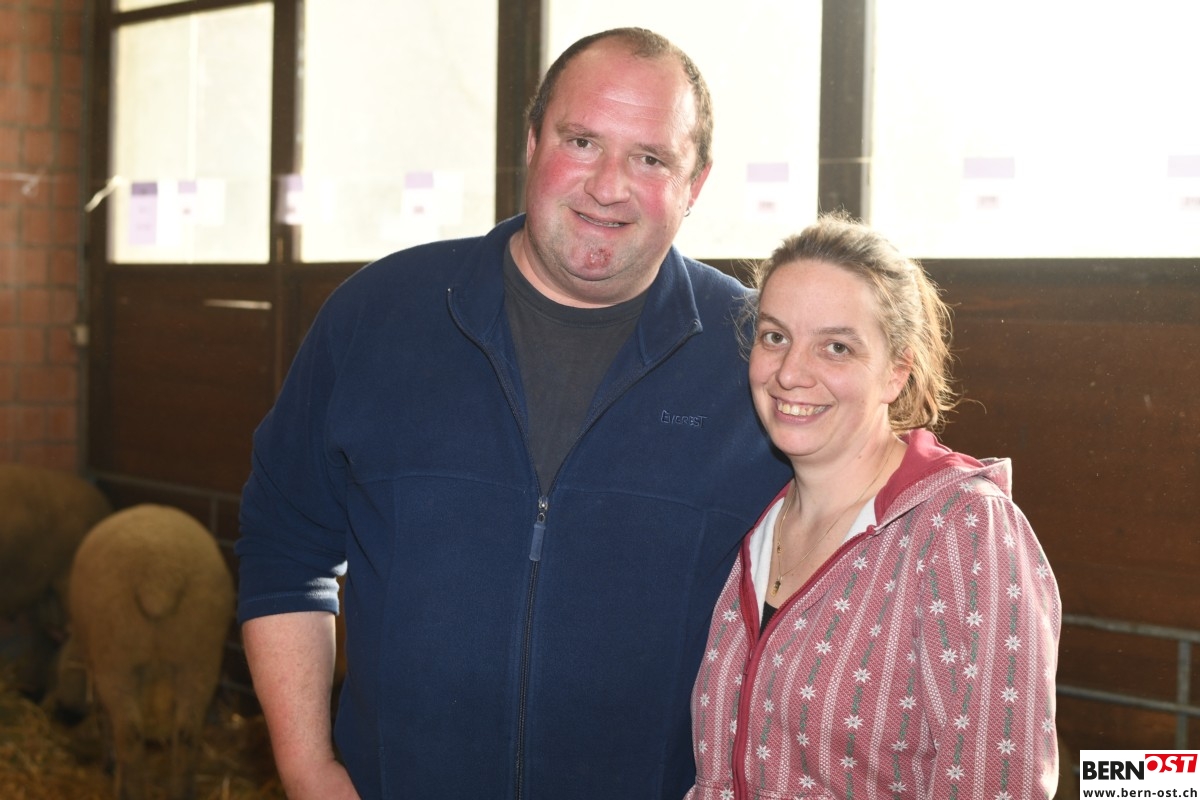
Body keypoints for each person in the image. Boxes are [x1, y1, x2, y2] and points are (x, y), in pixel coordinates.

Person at [235, 27, 789, 800]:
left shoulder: (759, 360)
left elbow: (841, 584)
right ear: (531, 144)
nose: (608, 186)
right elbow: (284, 548)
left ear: (695, 183)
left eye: (650, 158)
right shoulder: (379, 317)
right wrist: (307, 768)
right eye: (582, 141)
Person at [685, 214, 1062, 799]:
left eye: (836, 347)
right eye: (775, 337)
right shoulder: (758, 520)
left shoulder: (960, 528)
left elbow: (997, 785)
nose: (789, 373)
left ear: (896, 372)